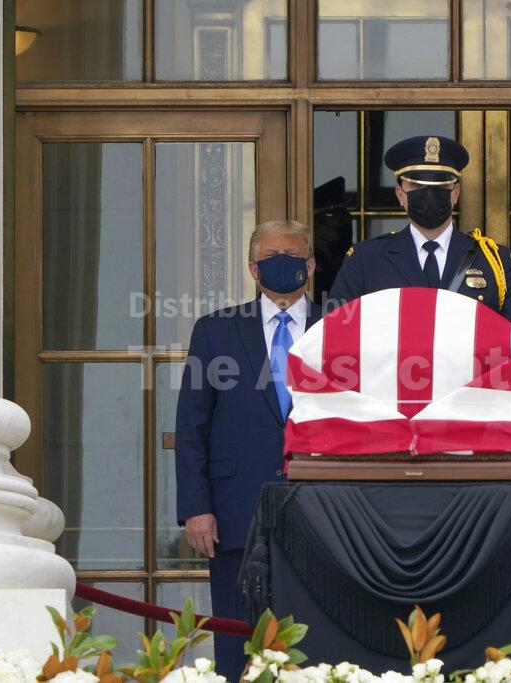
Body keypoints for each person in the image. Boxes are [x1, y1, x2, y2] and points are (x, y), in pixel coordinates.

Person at [175, 220, 324, 681]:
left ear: (312, 265)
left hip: (322, 512)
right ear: (252, 268)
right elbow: (192, 425)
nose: (283, 264)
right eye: (271, 256)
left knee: (315, 645)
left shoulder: (338, 326)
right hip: (235, 511)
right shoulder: (215, 331)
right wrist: (197, 509)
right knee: (238, 642)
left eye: (294, 255)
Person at [328, 135, 511, 349]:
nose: (429, 194)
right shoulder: (366, 260)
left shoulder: (494, 262)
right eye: (417, 186)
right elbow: (336, 342)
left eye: (440, 186)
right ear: (400, 194)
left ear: (456, 193)